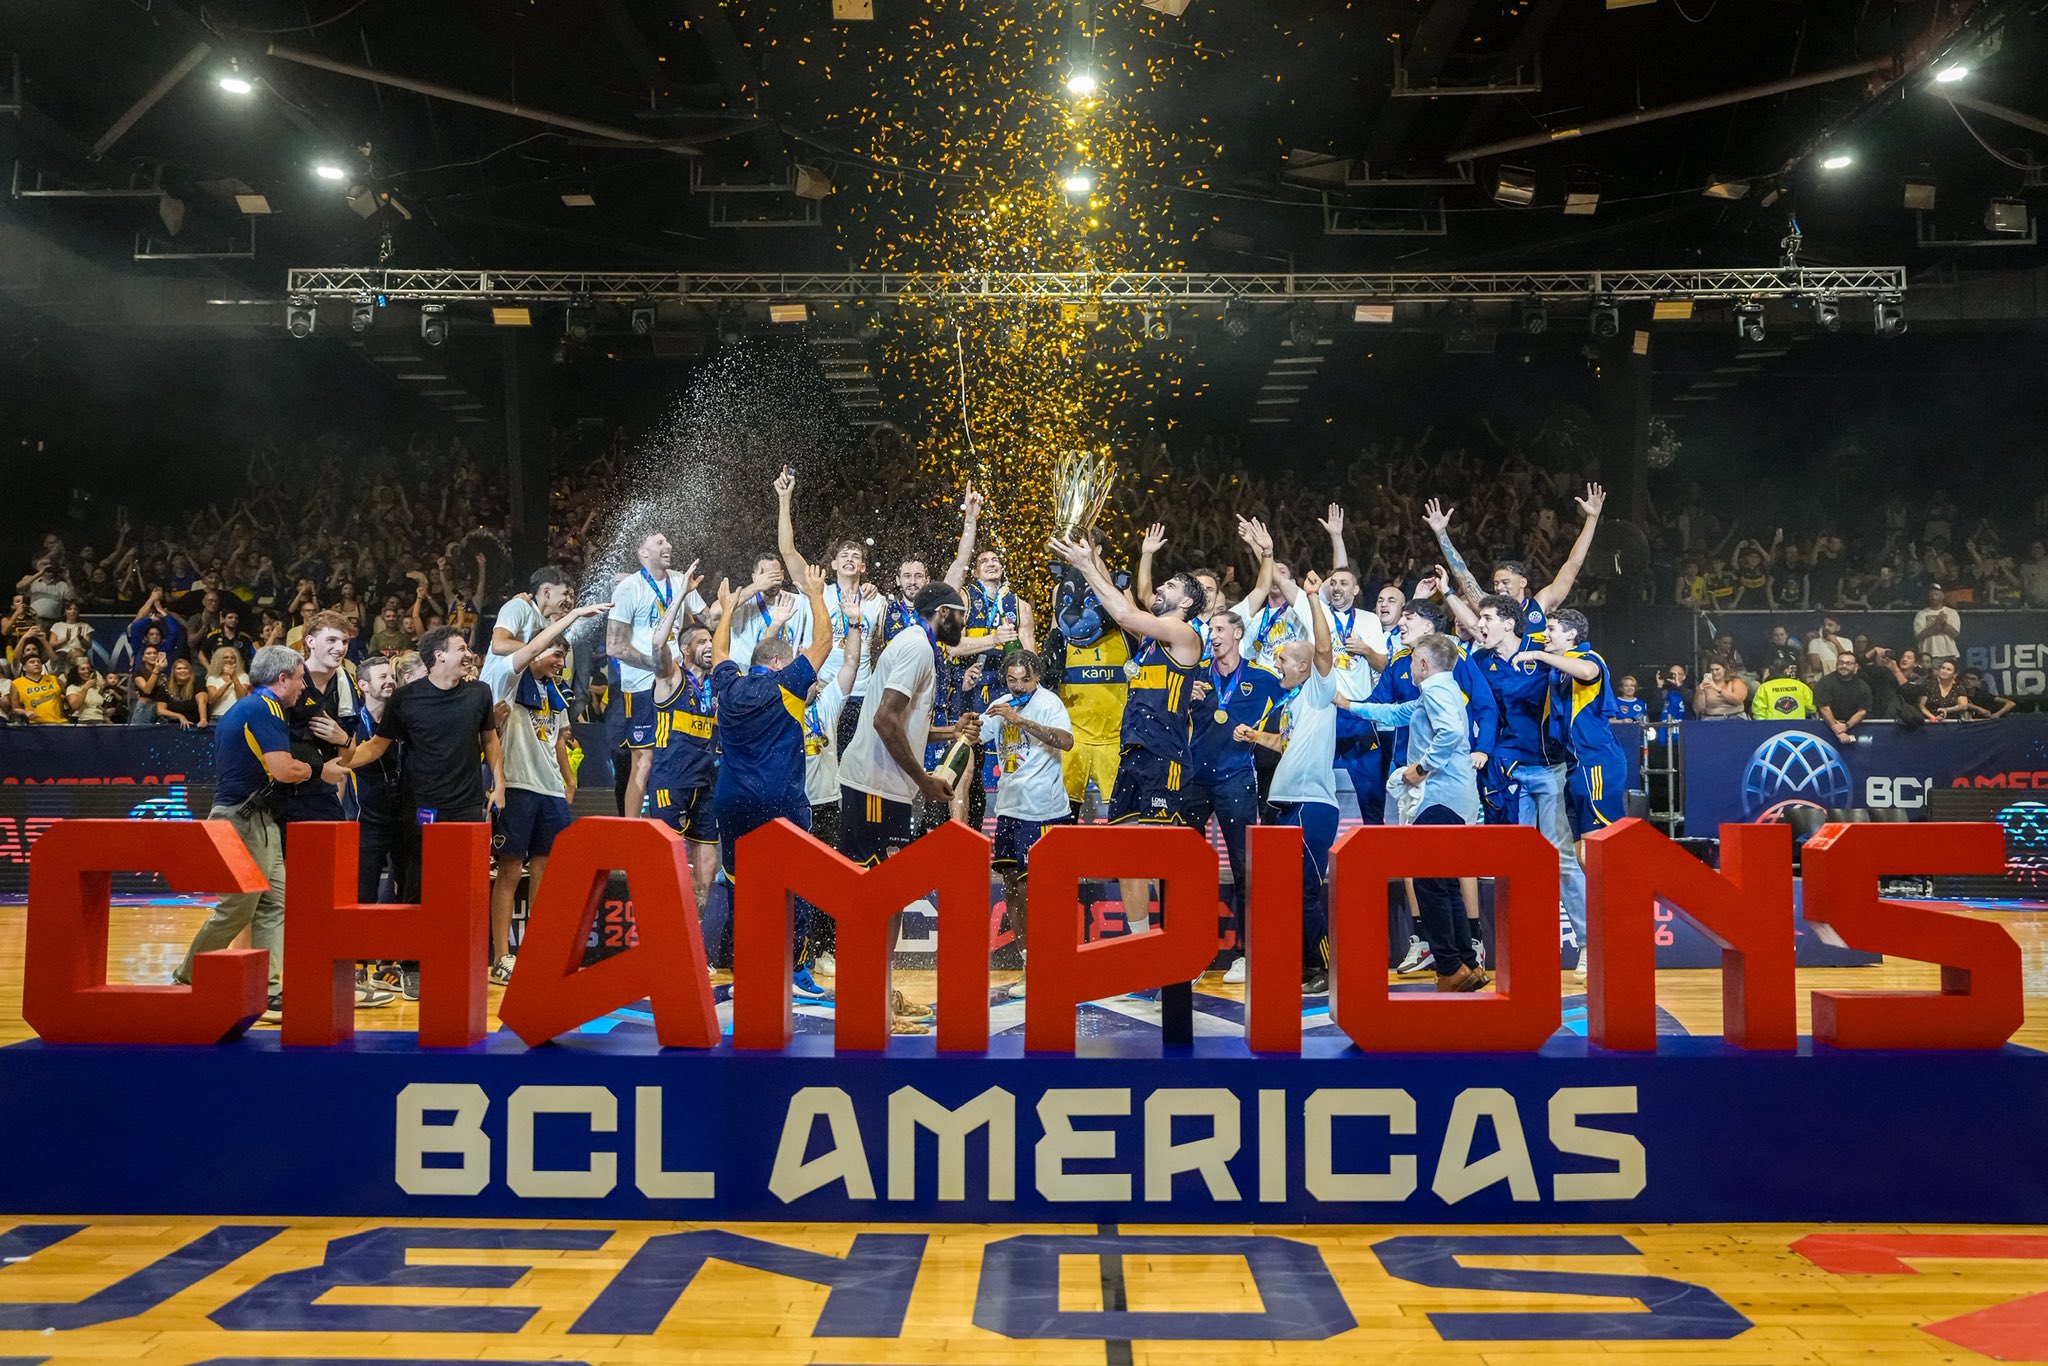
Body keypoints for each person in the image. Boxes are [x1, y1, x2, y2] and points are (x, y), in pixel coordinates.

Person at [172, 645, 350, 1025]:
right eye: (299, 679)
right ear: (282, 679)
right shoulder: (265, 708)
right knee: (237, 908)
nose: (303, 687)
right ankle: (185, 978)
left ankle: (268, 991)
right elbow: (283, 770)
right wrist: (319, 771)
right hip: (242, 818)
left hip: (257, 816)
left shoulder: (251, 707)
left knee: (273, 904)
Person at [1049, 530, 1207, 954]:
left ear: (1186, 603)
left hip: (1163, 757)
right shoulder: (1152, 640)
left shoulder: (1184, 635)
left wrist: (1086, 565)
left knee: (1159, 858)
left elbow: (1122, 610)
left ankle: (1181, 945)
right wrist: (1093, 556)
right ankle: (1142, 948)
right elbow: (1119, 600)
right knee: (1127, 857)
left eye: (1170, 586)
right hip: (1132, 755)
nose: (1159, 589)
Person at [839, 578, 977, 1025]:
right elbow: (885, 720)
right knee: (880, 900)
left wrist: (950, 732)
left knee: (890, 897)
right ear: (943, 613)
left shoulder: (917, 644)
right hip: (875, 787)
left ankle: (880, 992)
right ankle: (872, 1003)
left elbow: (903, 724)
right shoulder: (917, 647)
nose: (964, 624)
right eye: (962, 615)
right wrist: (925, 779)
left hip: (883, 787)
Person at [345, 625, 505, 1002]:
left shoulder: (480, 693)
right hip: (422, 809)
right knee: (418, 884)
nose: (468, 654)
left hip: (467, 806)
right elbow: (378, 745)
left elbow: (490, 739)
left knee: (465, 888)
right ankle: (411, 966)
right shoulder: (406, 698)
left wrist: (499, 783)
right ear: (439, 656)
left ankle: (460, 961)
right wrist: (341, 762)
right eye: (461, 648)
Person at [710, 563, 838, 1002]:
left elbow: (719, 651)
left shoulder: (728, 687)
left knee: (739, 887)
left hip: (731, 803)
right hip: (779, 801)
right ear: (779, 663)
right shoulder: (788, 684)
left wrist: (728, 608)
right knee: (795, 885)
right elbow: (824, 643)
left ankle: (749, 972)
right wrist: (816, 594)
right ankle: (796, 971)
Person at [1453, 593, 1590, 977]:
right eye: (1479, 618)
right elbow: (1478, 710)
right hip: (1508, 771)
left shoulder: (1542, 649)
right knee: (1517, 863)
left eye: (1487, 618)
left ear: (1509, 624)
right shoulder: (1480, 661)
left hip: (1551, 768)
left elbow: (1581, 673)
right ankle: (1528, 947)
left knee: (1561, 858)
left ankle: (1589, 945)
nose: (1480, 624)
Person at [1347, 633, 1490, 992]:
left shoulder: (1437, 690)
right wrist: (1348, 705)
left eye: (1412, 660)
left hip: (1439, 799)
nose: (1409, 666)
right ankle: (1467, 964)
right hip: (1452, 799)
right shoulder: (1441, 690)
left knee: (1429, 882)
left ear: (1423, 663)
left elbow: (1450, 732)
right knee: (1444, 882)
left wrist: (1421, 769)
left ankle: (1449, 967)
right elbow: (1397, 713)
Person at [487, 600, 608, 985]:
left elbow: (556, 739)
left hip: (550, 791)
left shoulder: (555, 690)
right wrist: (570, 618)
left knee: (545, 869)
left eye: (563, 657)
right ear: (537, 651)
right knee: (510, 870)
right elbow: (529, 648)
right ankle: (501, 957)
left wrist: (569, 781)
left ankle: (536, 951)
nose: (561, 662)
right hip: (517, 786)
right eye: (556, 654)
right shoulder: (508, 677)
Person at [1185, 597, 1287, 986]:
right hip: (1195, 779)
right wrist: (1183, 701)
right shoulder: (1194, 675)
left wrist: (1263, 737)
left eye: (1219, 630)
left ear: (1238, 633)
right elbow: (1167, 716)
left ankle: (1248, 954)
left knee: (1246, 868)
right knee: (1185, 866)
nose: (1212, 636)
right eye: (1210, 631)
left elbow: (1291, 707)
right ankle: (1188, 951)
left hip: (1236, 778)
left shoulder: (1261, 677)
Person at [979, 650, 1074, 1001]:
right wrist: (967, 724)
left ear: (1037, 678)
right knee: (1011, 887)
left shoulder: (1049, 703)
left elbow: (1066, 741)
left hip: (1044, 810)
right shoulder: (1000, 704)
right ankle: (1028, 962)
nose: (1018, 686)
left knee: (1037, 891)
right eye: (1012, 680)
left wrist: (1020, 721)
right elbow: (976, 734)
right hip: (1009, 808)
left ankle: (1051, 964)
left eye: (1025, 680)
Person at [1425, 483, 1607, 647]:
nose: (1499, 588)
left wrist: (1592, 518)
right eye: (1496, 583)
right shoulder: (1490, 607)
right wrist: (1441, 533)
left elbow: (1573, 564)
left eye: (1505, 582)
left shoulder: (1540, 604)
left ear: (1523, 582)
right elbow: (1463, 574)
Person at [1514, 608, 1630, 851]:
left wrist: (1537, 654)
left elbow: (1587, 672)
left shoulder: (1589, 657)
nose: (1544, 634)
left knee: (1602, 845)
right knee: (1582, 850)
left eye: (1551, 629)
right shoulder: (1558, 672)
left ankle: (1631, 878)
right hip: (1574, 762)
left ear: (1571, 634)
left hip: (1596, 758)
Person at [605, 532, 699, 821]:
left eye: (668, 541)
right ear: (643, 553)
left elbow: (710, 618)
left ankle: (673, 827)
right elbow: (614, 645)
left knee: (678, 757)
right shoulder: (629, 588)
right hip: (642, 687)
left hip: (678, 685)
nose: (668, 545)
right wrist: (658, 665)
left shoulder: (681, 580)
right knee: (643, 761)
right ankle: (631, 832)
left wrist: (749, 591)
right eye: (659, 542)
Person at [649, 609, 724, 917]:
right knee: (668, 853)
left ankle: (696, 924)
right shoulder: (671, 678)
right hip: (672, 780)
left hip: (706, 782)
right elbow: (658, 645)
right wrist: (681, 593)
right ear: (685, 649)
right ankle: (667, 921)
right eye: (702, 641)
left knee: (708, 856)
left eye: (711, 640)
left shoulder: (716, 685)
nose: (709, 645)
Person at [272, 612, 358, 828]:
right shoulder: (287, 680)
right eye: (332, 640)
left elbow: (347, 756)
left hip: (323, 794)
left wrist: (342, 739)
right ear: (310, 641)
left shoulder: (348, 685)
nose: (340, 648)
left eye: (345, 641)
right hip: (282, 791)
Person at [1814, 650, 1874, 741]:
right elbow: (1824, 709)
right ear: (1836, 664)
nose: (1844, 666)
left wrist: (1846, 726)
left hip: (1854, 727)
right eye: (1841, 663)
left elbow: (1862, 711)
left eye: (1849, 663)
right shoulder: (1824, 683)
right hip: (1827, 727)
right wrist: (1838, 731)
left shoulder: (1863, 686)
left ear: (1856, 666)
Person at [8, 646, 66, 724]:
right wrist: (25, 712)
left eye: (39, 662)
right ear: (24, 667)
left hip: (59, 723)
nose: (36, 664)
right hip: (35, 725)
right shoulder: (17, 683)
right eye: (32, 662)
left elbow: (67, 696)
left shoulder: (54, 679)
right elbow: (15, 708)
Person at [1750, 663, 1817, 720]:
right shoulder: (1800, 686)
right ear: (1786, 671)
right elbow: (1812, 708)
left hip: (1773, 727)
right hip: (1797, 725)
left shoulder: (1764, 687)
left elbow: (1758, 712)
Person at [155, 657, 208, 728]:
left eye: (185, 668)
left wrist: (203, 719)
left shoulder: (197, 682)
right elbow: (160, 710)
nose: (183, 671)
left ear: (190, 670)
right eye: (179, 668)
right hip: (173, 725)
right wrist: (180, 716)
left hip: (196, 724)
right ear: (174, 671)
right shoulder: (165, 686)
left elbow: (202, 701)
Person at [1914, 585, 1962, 663]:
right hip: (1928, 655)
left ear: (1942, 596)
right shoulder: (1921, 614)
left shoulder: (1952, 612)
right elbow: (1919, 636)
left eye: (1936, 594)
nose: (1933, 597)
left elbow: (1955, 634)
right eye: (1931, 595)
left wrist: (1943, 623)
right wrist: (1936, 625)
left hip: (1949, 654)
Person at [204, 646, 250, 715]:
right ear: (219, 660)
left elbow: (242, 698)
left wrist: (233, 676)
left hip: (237, 715)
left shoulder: (243, 676)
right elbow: (212, 700)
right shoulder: (212, 678)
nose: (229, 660)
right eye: (226, 657)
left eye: (232, 657)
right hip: (218, 715)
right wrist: (227, 683)